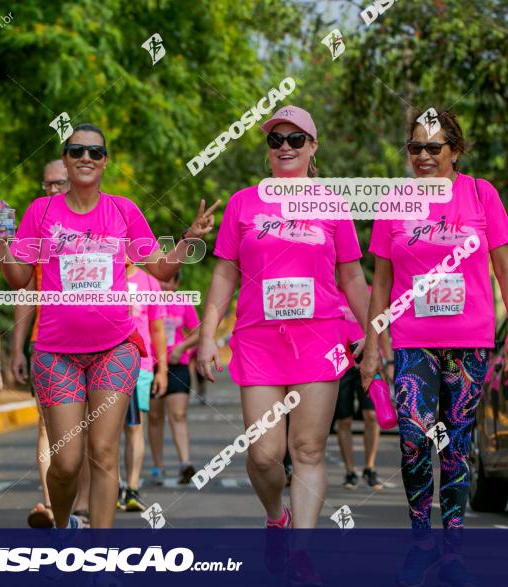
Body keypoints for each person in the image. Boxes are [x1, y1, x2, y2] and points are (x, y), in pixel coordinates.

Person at [0, 122, 218, 528]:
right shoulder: (40, 212)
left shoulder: (123, 211)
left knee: (103, 452)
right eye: (77, 150)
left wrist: (188, 238)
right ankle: (63, 529)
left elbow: (161, 267)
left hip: (114, 349)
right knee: (65, 462)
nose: (85, 158)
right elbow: (19, 279)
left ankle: (100, 559)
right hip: (56, 352)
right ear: (65, 158)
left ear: (105, 162)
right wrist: (1, 245)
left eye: (94, 152)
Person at [196, 106, 370, 583]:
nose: (286, 147)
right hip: (257, 341)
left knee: (308, 449)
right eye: (277, 140)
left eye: (297, 139)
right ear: (269, 150)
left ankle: (300, 554)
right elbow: (225, 272)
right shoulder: (243, 204)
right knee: (264, 454)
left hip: (320, 338)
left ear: (313, 147)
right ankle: (277, 519)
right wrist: (208, 336)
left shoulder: (333, 204)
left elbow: (352, 276)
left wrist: (375, 334)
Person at [360, 109, 508, 587]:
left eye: (434, 147)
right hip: (411, 341)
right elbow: (379, 283)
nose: (422, 157)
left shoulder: (482, 195)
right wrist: (371, 345)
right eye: (415, 148)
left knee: (457, 447)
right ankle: (422, 541)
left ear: (455, 150)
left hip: (469, 341)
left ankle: (455, 550)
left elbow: (505, 270)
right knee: (413, 437)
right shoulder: (394, 201)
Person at [13, 161, 93, 527]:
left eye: (58, 183)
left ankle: (83, 507)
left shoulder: (95, 220)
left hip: (97, 345)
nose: (52, 190)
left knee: (90, 430)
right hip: (47, 344)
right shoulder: (37, 226)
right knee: (49, 428)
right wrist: (16, 349)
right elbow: (24, 291)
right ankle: (52, 504)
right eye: (46, 184)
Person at [118, 263, 166, 511]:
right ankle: (113, 486)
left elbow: (157, 328)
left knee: (135, 427)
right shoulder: (102, 275)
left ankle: (132, 488)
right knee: (107, 431)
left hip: (141, 365)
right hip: (107, 363)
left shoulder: (150, 283)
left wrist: (162, 370)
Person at [149, 270, 200, 485]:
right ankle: (158, 467)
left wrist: (182, 347)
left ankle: (185, 463)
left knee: (178, 414)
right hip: (151, 365)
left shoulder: (183, 302)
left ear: (177, 284)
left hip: (177, 365)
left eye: (170, 281)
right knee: (154, 417)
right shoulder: (148, 300)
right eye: (162, 280)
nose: (165, 285)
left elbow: (198, 331)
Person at [334, 290, 388, 491]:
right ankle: (350, 471)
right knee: (344, 420)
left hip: (367, 362)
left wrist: (387, 360)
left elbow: (381, 327)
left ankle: (370, 468)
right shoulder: (330, 292)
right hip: (341, 365)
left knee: (371, 415)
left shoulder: (369, 292)